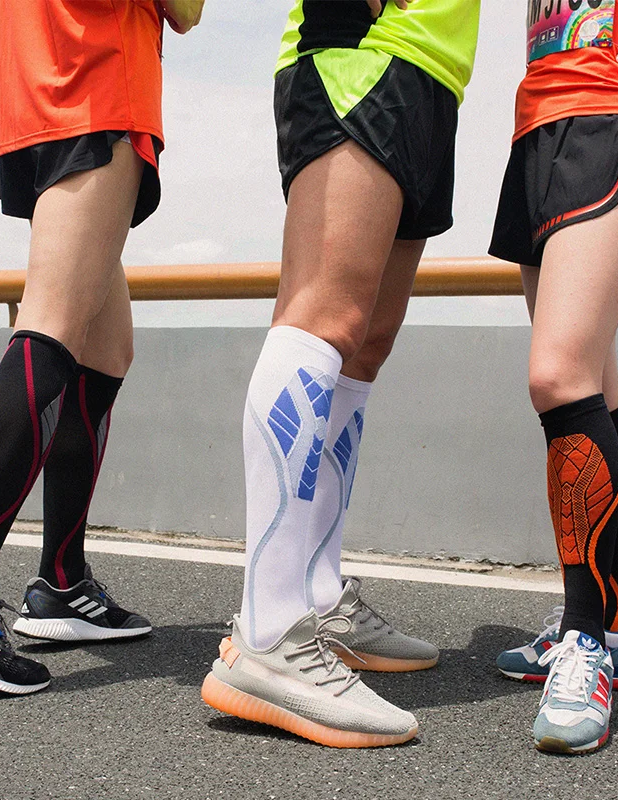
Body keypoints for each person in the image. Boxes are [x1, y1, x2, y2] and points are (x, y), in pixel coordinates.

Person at [0, 0, 204, 695]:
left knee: (105, 352)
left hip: (39, 86)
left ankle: (62, 584)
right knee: (53, 329)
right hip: (97, 84)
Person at [201, 0, 481, 747]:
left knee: (364, 343)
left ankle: (319, 598)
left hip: (431, 67)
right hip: (364, 47)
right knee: (321, 318)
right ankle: (270, 632)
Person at [489, 0, 618, 754]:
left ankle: (585, 639)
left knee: (558, 379)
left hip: (607, 108)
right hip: (537, 122)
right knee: (596, 384)